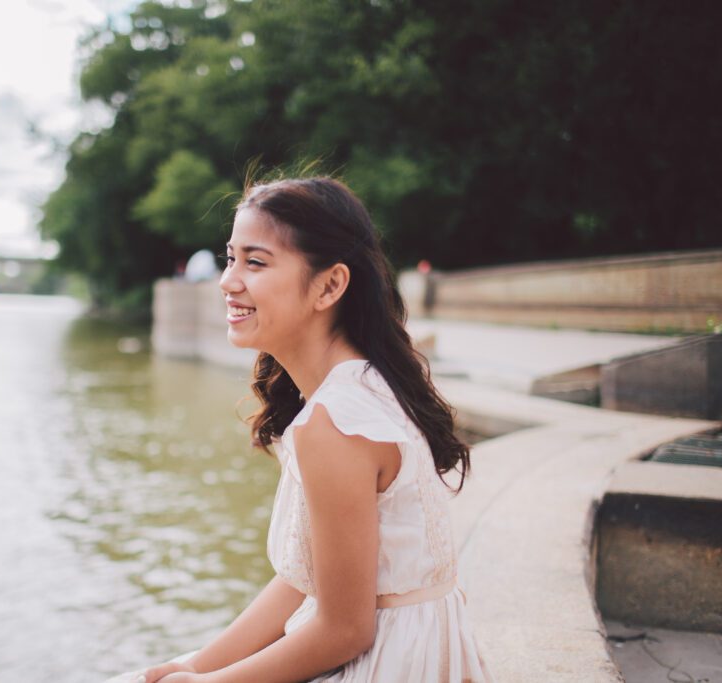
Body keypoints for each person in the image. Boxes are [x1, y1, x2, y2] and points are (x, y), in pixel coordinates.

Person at [108, 177, 492, 682]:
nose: (228, 281)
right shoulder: (362, 386)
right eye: (230, 258)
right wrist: (195, 665)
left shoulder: (336, 423)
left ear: (329, 286)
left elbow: (344, 630)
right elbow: (304, 581)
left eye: (256, 262)